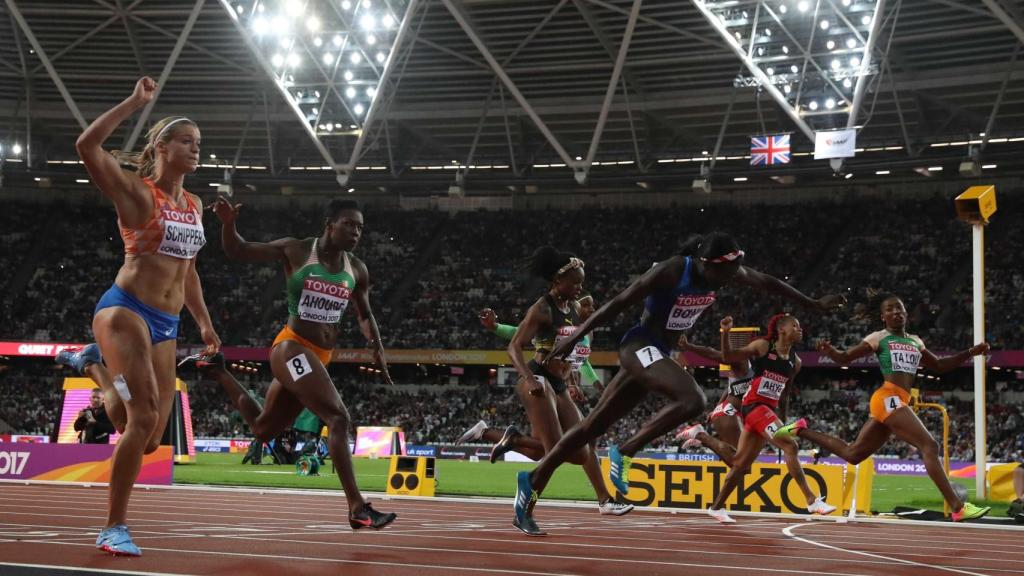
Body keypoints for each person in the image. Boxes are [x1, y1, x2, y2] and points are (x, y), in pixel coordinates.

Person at [512, 232, 845, 535]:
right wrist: (575, 339)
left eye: (733, 275)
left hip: (658, 351)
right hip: (638, 345)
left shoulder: (728, 271)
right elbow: (617, 304)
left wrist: (811, 304)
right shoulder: (672, 271)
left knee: (589, 429)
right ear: (705, 264)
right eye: (723, 275)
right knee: (694, 399)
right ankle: (625, 451)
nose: (728, 281)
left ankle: (532, 481)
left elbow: (768, 282)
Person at [76, 77, 221, 556]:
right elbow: (87, 145)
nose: (196, 149)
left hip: (167, 322)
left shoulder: (195, 205)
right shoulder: (139, 194)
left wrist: (203, 322)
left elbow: (189, 270)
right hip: (125, 311)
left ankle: (96, 368)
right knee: (140, 418)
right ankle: (112, 526)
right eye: (187, 141)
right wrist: (135, 103)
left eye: (199, 143)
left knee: (152, 435)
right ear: (161, 146)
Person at [205, 195, 396, 530]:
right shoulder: (296, 250)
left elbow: (365, 314)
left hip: (319, 356)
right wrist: (228, 224)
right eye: (349, 224)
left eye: (360, 227)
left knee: (265, 429)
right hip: (291, 348)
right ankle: (357, 507)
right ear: (330, 225)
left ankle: (219, 370)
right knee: (338, 418)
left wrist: (377, 347)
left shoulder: (357, 270)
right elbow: (238, 250)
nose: (355, 232)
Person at [775, 293, 991, 522]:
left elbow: (939, 365)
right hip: (887, 397)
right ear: (882, 317)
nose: (895, 312)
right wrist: (830, 352)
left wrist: (970, 353)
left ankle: (800, 430)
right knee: (929, 445)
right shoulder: (879, 337)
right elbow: (844, 358)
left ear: (906, 313)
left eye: (899, 308)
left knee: (853, 454)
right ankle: (958, 507)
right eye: (889, 309)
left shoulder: (916, 341)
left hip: (898, 401)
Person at [461, 248, 632, 526]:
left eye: (581, 283)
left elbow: (571, 356)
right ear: (556, 281)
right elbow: (514, 346)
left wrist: (573, 381)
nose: (580, 289)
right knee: (553, 452)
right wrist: (529, 378)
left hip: (559, 383)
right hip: (538, 378)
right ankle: (524, 511)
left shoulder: (575, 309)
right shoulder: (541, 309)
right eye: (575, 283)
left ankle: (604, 500)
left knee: (581, 447)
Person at [705, 314, 835, 523]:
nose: (800, 329)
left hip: (767, 411)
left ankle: (716, 507)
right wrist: (726, 333)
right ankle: (811, 500)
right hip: (753, 406)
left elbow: (784, 394)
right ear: (782, 330)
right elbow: (728, 357)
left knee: (740, 464)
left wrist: (781, 421)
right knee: (790, 446)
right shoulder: (763, 346)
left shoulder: (796, 361)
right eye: (795, 326)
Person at [673, 333, 751, 451]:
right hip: (729, 412)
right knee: (739, 456)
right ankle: (701, 436)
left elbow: (729, 389)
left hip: (739, 411)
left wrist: (716, 407)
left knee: (737, 454)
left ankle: (703, 440)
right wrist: (689, 346)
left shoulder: (754, 367)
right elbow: (711, 353)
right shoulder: (740, 361)